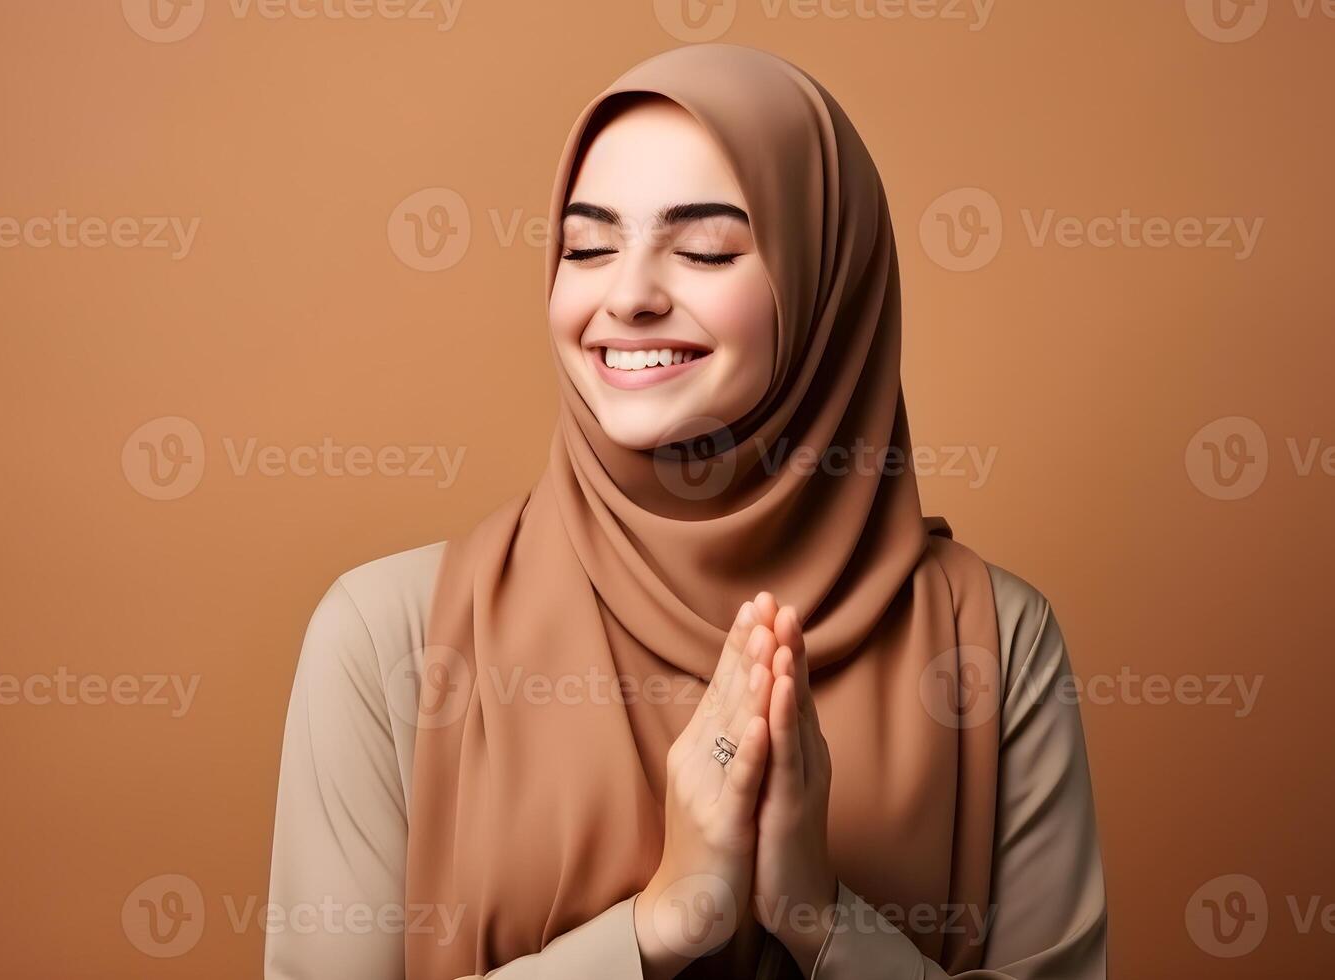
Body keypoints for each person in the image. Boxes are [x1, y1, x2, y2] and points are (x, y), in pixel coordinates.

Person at [267, 43, 1106, 980]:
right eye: (585, 247)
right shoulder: (389, 640)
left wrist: (819, 916)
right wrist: (658, 927)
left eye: (705, 248)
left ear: (828, 283)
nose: (626, 295)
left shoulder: (992, 640)